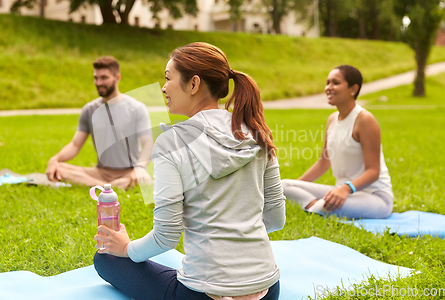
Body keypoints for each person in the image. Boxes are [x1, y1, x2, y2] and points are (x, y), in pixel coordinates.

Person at [93, 42, 286, 300]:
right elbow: (276, 219)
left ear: (194, 84)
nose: (163, 87)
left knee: (106, 259)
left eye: (168, 78)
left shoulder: (171, 143)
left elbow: (166, 237)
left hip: (205, 294)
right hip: (268, 289)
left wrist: (126, 247)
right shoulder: (256, 133)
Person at [281, 65, 393, 219]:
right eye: (328, 82)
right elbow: (323, 163)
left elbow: (374, 171)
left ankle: (316, 207)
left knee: (324, 205)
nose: (329, 88)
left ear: (353, 89)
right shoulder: (332, 119)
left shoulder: (365, 120)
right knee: (283, 185)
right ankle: (315, 207)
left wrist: (347, 189)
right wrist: (295, 187)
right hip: (340, 191)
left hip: (374, 197)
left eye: (335, 83)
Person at [46, 56, 153, 189]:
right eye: (96, 78)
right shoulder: (89, 110)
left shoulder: (136, 108)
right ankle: (108, 186)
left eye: (104, 78)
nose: (98, 82)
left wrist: (139, 168)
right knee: (59, 168)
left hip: (129, 171)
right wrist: (54, 159)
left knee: (145, 180)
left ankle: (104, 186)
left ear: (117, 78)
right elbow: (75, 145)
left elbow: (148, 144)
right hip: (100, 173)